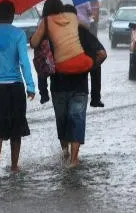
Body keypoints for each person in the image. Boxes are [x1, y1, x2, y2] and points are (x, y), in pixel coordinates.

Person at [0, 0, 35, 179]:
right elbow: (24, 62)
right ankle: (14, 166)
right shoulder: (19, 34)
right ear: (13, 15)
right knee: (16, 126)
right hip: (15, 86)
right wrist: (31, 86)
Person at [50, 10, 107, 167]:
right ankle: (73, 160)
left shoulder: (54, 31)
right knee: (77, 120)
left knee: (62, 121)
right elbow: (102, 54)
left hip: (58, 86)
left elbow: (44, 58)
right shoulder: (83, 32)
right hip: (79, 87)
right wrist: (89, 66)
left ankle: (66, 153)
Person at [30, 0, 93, 75]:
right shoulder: (72, 16)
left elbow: (33, 43)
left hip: (62, 66)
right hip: (83, 62)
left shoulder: (46, 21)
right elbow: (86, 26)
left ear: (46, 10)